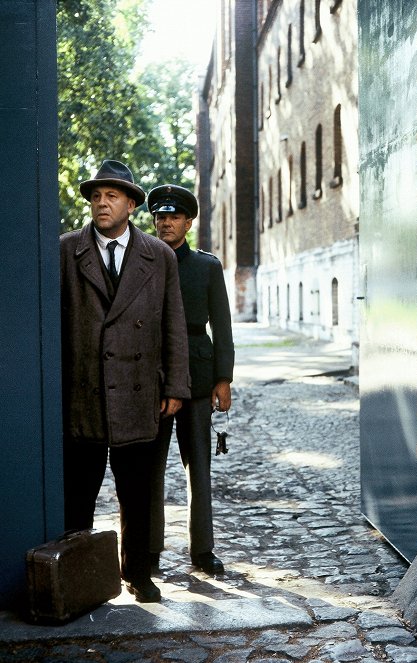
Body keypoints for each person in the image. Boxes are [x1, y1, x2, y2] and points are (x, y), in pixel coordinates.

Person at [60, 160, 191, 603]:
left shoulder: (160, 256)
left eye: (112, 196)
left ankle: (137, 573)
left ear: (131, 204)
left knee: (137, 493)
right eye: (96, 196)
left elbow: (174, 324)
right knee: (77, 494)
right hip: (84, 393)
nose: (102, 203)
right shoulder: (65, 251)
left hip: (140, 393)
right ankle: (75, 576)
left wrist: (175, 386)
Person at [147, 184, 234, 576]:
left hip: (199, 378)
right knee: (150, 469)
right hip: (154, 378)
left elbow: (223, 325)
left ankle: (202, 550)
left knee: (198, 466)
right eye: (160, 217)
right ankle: (148, 551)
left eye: (174, 217)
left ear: (188, 222)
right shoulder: (142, 261)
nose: (166, 223)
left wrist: (223, 378)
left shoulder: (207, 266)